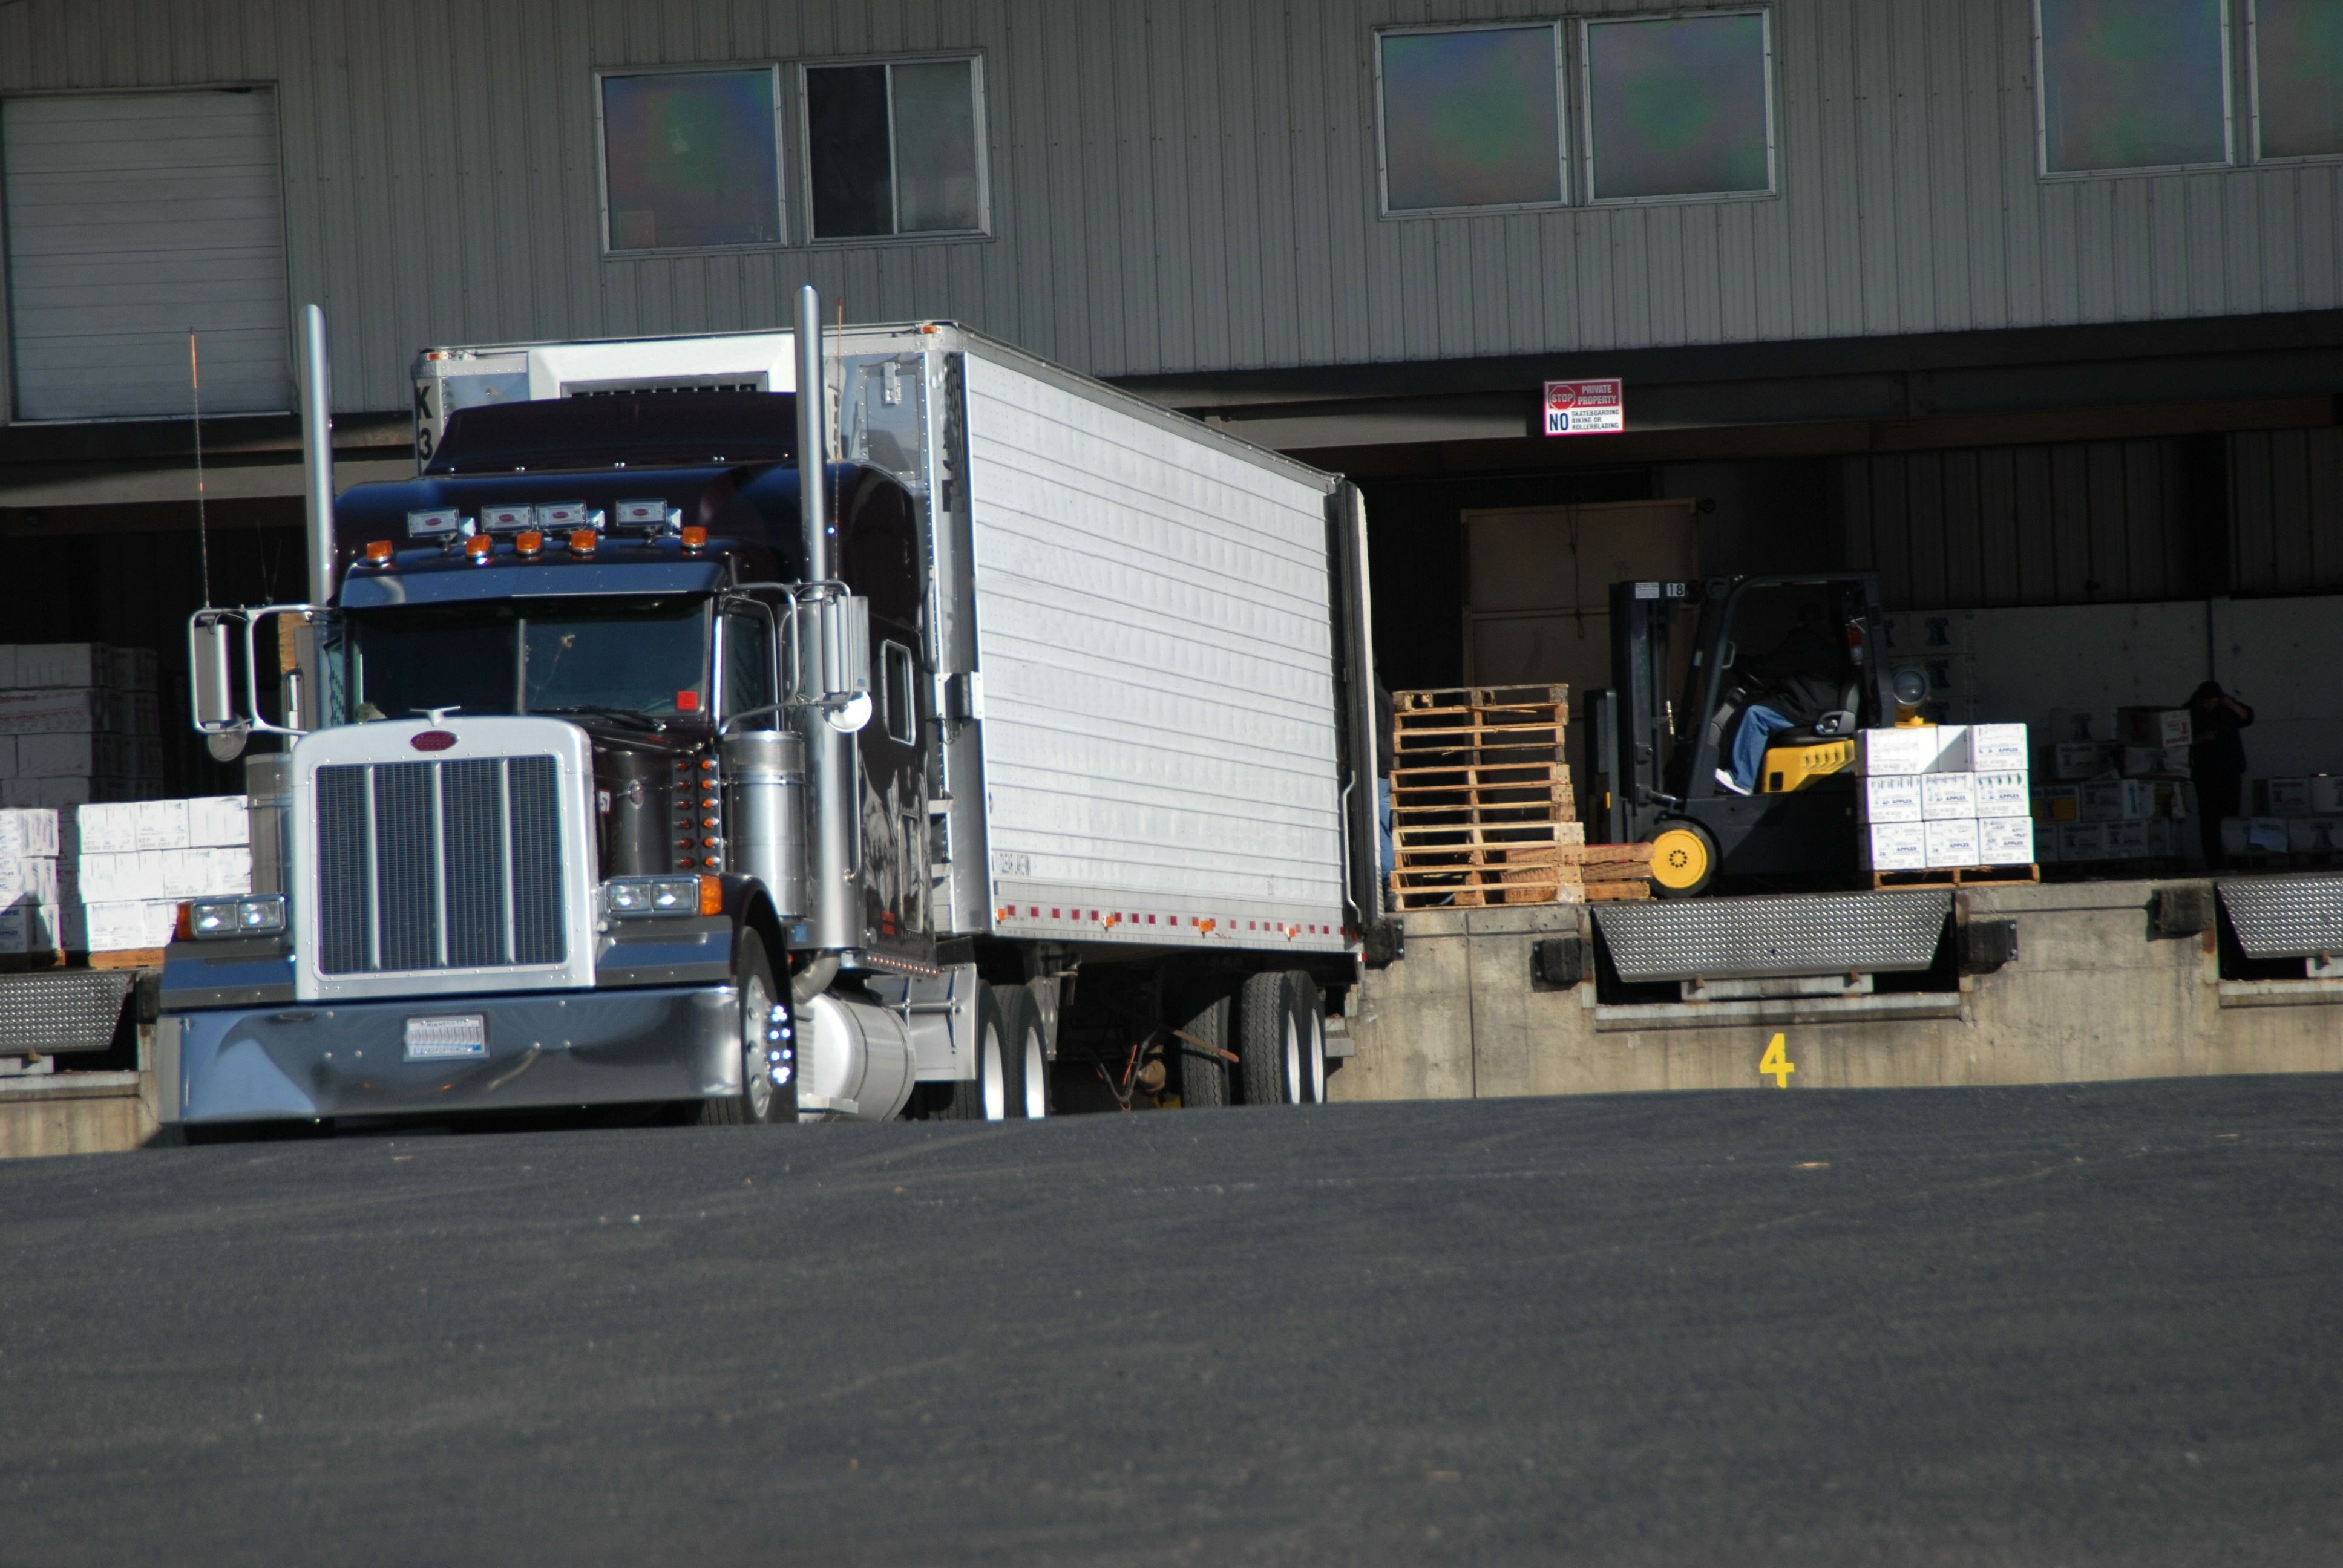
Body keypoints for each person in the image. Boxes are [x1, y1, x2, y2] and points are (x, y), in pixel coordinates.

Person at [1717, 604, 1844, 795]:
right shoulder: (1828, 639)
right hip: (1817, 701)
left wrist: (1742, 662)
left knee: (1757, 715)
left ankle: (1741, 780)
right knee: (1764, 706)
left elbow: (1774, 665)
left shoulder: (1806, 639)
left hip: (1809, 704)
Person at [2188, 680, 2253, 868]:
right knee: (2209, 820)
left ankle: (2233, 857)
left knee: (2231, 817)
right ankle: (2214, 861)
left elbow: (2247, 717)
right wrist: (2201, 738)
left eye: (2213, 703)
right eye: (2206, 703)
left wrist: (2231, 705)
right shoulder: (2191, 712)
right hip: (2206, 775)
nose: (2210, 707)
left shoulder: (2227, 710)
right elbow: (2178, 739)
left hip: (2230, 772)